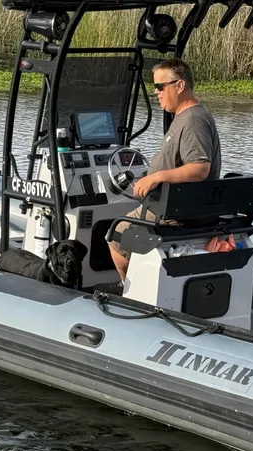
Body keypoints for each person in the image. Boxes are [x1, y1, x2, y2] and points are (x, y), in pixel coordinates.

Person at [107, 58, 221, 284]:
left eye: (160, 86)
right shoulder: (186, 116)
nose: (156, 92)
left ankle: (129, 290)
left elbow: (200, 169)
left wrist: (156, 177)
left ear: (179, 85)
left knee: (116, 233)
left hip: (175, 213)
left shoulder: (193, 121)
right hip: (175, 206)